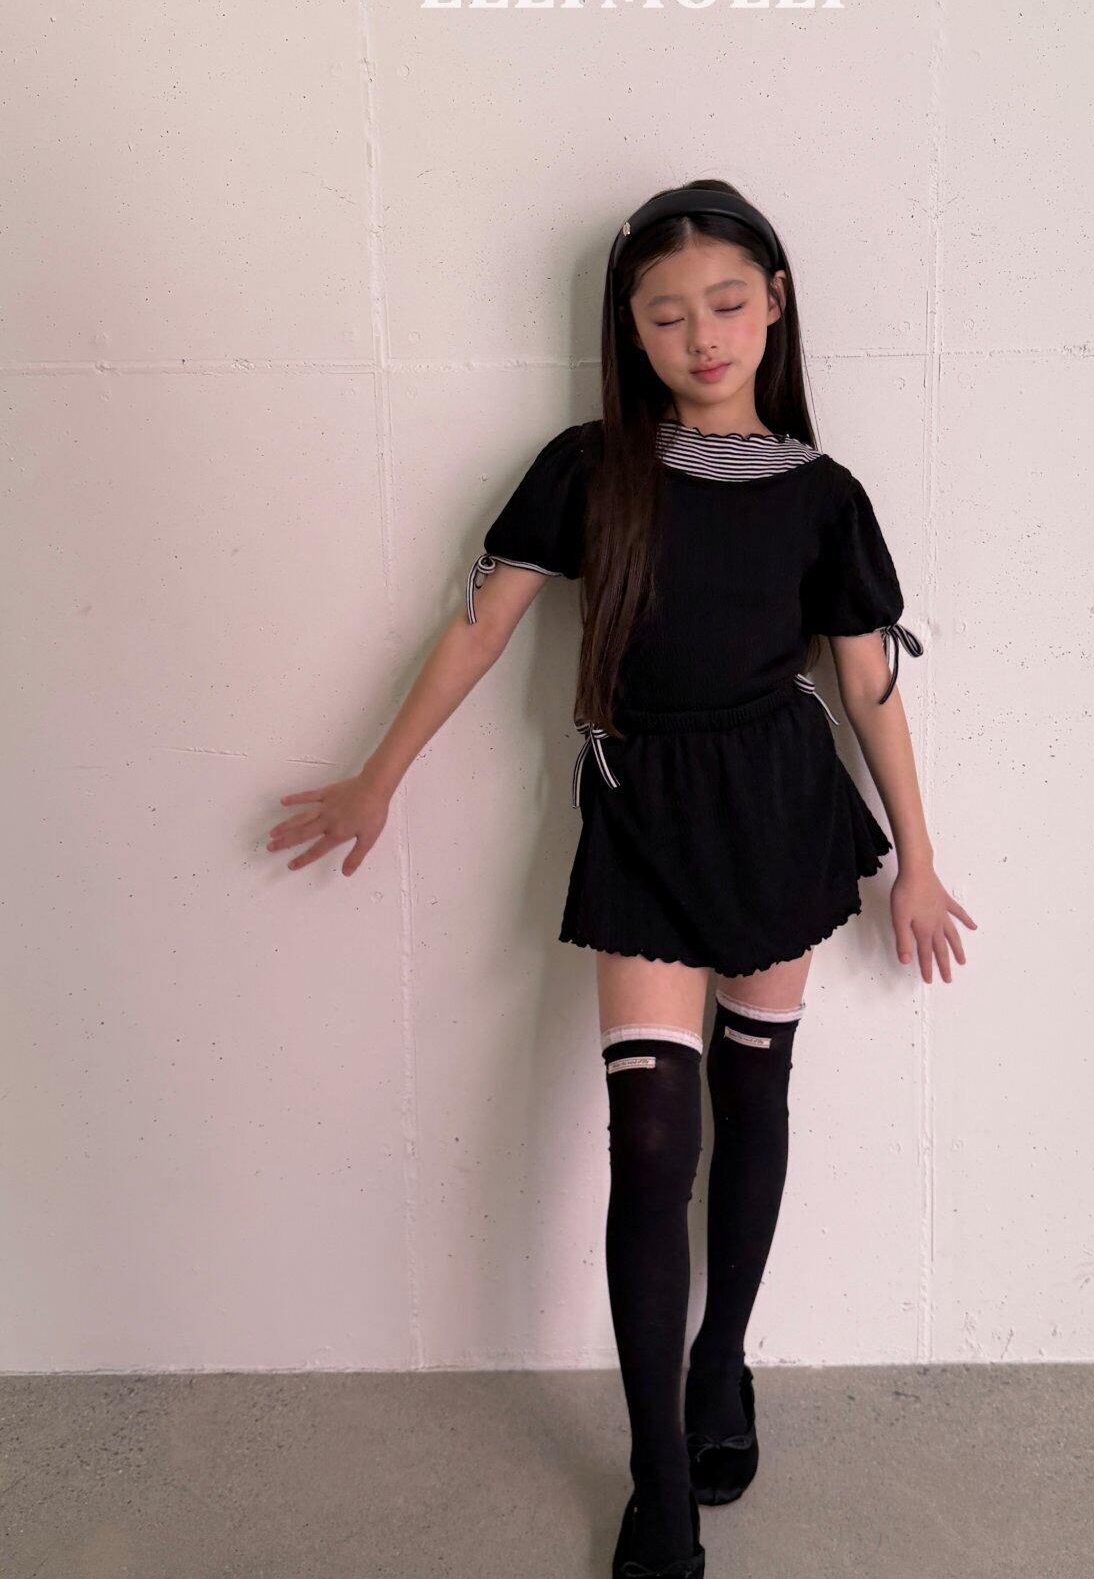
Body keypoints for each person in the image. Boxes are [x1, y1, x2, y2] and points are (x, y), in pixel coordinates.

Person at [267, 180, 977, 1578]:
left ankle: (725, 1359)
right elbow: (478, 631)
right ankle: (660, 1480)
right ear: (629, 330)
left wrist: (919, 858)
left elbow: (868, 683)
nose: (701, 336)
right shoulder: (590, 469)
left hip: (778, 810)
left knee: (754, 1092)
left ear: (774, 303)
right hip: (644, 816)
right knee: (650, 1143)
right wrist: (377, 776)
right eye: (666, 314)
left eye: (727, 303)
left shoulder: (823, 495)